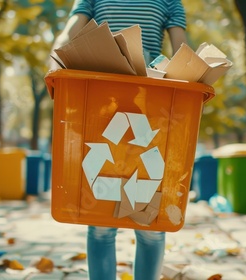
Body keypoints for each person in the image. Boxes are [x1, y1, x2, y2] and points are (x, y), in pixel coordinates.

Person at [49, 1, 188, 279]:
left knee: (150, 220)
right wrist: (55, 67)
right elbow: (69, 34)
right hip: (103, 100)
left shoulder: (169, 1)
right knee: (100, 220)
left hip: (150, 100)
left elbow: (182, 52)